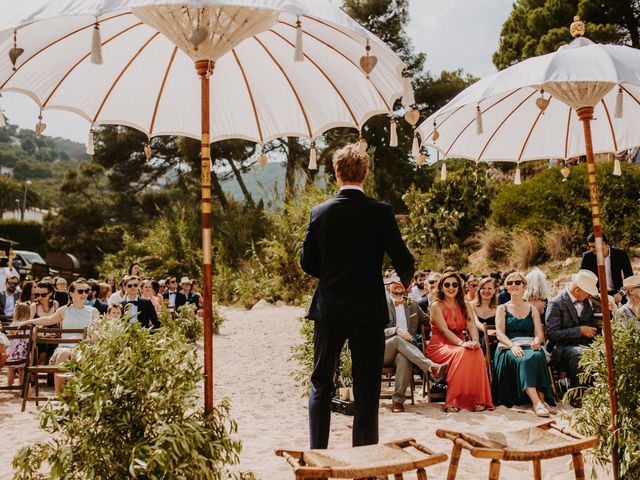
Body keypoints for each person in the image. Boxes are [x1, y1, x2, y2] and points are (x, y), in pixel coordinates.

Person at [301, 144, 414, 449]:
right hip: (368, 311)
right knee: (367, 388)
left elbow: (307, 263)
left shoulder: (319, 213)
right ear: (365, 173)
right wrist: (399, 285)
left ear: (336, 173)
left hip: (329, 309)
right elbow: (405, 261)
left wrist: (331, 275)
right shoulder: (381, 212)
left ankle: (318, 455)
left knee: (321, 383)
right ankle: (364, 460)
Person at [427, 271, 494, 412]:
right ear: (441, 287)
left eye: (454, 284)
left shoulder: (466, 304)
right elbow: (444, 330)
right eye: (447, 284)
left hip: (459, 342)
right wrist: (462, 344)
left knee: (477, 351)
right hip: (440, 345)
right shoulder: (436, 305)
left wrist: (475, 341)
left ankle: (477, 399)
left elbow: (471, 325)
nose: (451, 287)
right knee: (462, 353)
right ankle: (453, 400)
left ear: (459, 287)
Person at [17, 279, 99, 392]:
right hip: (65, 347)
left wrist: (85, 339)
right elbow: (48, 319)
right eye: (80, 291)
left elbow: (96, 333)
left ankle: (72, 391)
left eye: (86, 291)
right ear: (71, 293)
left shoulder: (93, 311)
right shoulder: (64, 310)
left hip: (84, 347)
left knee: (76, 355)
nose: (84, 294)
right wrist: (29, 321)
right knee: (64, 354)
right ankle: (60, 394)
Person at [493, 272, 555, 416]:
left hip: (529, 344)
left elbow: (539, 333)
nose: (513, 285)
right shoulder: (502, 308)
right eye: (510, 283)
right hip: (508, 347)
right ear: (506, 287)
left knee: (538, 354)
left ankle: (542, 399)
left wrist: (536, 341)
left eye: (517, 282)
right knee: (524, 359)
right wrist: (512, 346)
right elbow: (500, 333)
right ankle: (537, 402)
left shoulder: (532, 309)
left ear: (524, 286)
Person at [384, 276, 446, 413]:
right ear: (388, 286)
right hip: (384, 349)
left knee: (404, 358)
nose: (398, 284)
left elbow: (429, 321)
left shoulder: (412, 304)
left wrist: (444, 311)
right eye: (394, 281)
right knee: (398, 339)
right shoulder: (380, 304)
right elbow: (374, 330)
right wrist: (396, 330)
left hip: (407, 351)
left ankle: (398, 402)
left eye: (401, 281)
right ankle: (430, 367)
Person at [545, 269, 600, 388]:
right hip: (561, 348)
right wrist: (580, 331)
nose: (589, 296)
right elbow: (552, 334)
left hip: (585, 344)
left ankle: (591, 390)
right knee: (581, 354)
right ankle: (579, 394)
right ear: (577, 290)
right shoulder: (555, 303)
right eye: (588, 293)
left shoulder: (588, 302)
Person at [579, 233, 632, 304]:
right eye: (590, 247)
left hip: (617, 294)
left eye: (593, 247)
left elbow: (629, 276)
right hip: (596, 295)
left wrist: (621, 293)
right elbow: (581, 278)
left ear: (603, 243)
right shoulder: (587, 257)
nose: (591, 249)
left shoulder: (621, 254)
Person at [5, 302, 31, 385]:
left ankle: (9, 385)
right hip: (22, 349)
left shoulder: (13, 324)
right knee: (21, 369)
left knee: (11, 369)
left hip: (12, 350)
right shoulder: (27, 325)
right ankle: (22, 385)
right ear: (28, 313)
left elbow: (9, 333)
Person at [473, 276, 497, 352]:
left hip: (494, 339)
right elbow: (475, 322)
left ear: (494, 291)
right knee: (485, 339)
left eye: (489, 288)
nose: (486, 291)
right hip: (476, 338)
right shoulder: (471, 306)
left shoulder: (499, 309)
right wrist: (487, 331)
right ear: (479, 290)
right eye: (483, 288)